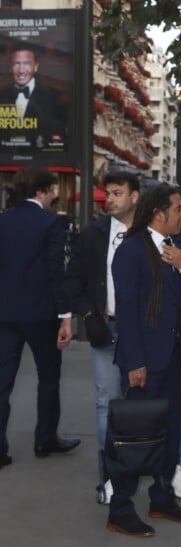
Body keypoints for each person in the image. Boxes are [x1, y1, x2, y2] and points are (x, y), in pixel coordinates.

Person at [65, 172, 181, 505]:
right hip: (112, 332)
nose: (109, 199)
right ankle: (115, 482)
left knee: (164, 415)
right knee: (114, 408)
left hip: (159, 346)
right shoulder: (102, 237)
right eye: (107, 193)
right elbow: (80, 283)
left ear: (136, 197)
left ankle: (168, 476)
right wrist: (88, 317)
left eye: (117, 193)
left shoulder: (166, 243)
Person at [106, 183, 181, 537]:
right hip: (143, 362)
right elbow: (127, 314)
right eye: (178, 208)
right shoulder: (131, 251)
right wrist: (135, 364)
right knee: (133, 434)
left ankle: (161, 497)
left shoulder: (172, 250)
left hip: (170, 357)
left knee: (168, 431)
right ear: (159, 213)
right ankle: (121, 507)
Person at [0, 165, 79, 467]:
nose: (54, 195)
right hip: (41, 313)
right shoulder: (50, 223)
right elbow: (55, 271)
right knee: (48, 377)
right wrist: (66, 316)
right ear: (40, 192)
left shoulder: (3, 221)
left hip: (5, 313)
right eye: (51, 190)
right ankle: (45, 439)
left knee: (2, 382)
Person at [0, 41, 66, 151]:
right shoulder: (2, 95)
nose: (21, 70)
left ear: (36, 67)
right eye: (16, 63)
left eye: (27, 63)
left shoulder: (53, 97)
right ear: (10, 67)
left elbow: (58, 133)